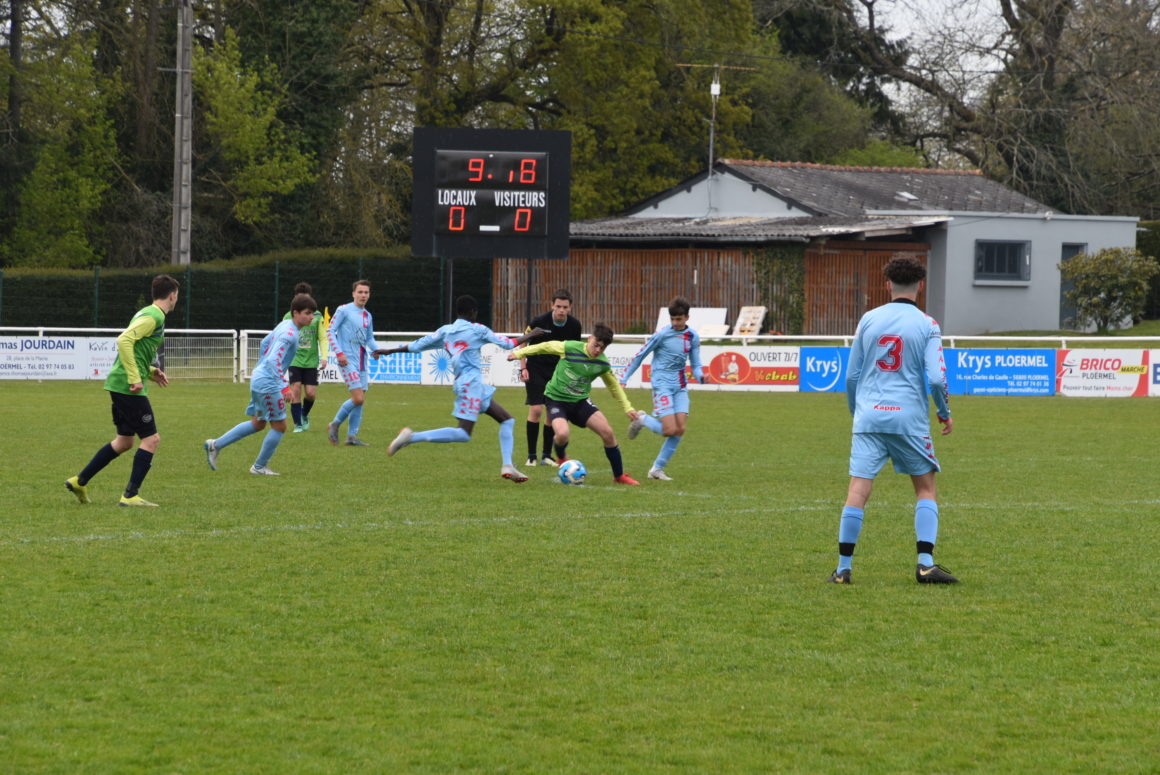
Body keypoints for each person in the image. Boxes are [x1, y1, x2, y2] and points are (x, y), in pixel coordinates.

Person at [828, 256, 957, 585]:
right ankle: (925, 564)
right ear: (921, 286)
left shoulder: (869, 319)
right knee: (925, 487)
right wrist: (944, 412)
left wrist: (857, 411)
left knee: (858, 489)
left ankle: (843, 569)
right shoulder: (927, 324)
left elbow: (852, 375)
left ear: (887, 284)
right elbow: (937, 378)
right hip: (908, 419)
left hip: (869, 416)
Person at [378, 296, 547, 482]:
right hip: (471, 384)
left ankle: (508, 466)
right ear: (473, 311)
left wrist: (389, 351)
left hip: (470, 385)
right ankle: (411, 437)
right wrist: (531, 335)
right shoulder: (477, 329)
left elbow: (416, 345)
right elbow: (507, 344)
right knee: (463, 434)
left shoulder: (445, 331)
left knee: (507, 420)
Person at [66, 274, 180, 507]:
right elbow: (124, 340)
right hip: (128, 387)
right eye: (177, 296)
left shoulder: (146, 312)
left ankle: (79, 481)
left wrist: (150, 371)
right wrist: (135, 378)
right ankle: (130, 496)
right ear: (172, 296)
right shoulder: (155, 316)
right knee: (151, 439)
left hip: (119, 383)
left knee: (124, 441)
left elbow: (135, 350)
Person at [507, 324, 642, 485]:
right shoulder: (570, 347)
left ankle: (619, 476)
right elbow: (545, 346)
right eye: (596, 345)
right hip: (556, 399)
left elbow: (614, 386)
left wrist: (628, 407)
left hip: (580, 401)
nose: (598, 350)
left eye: (602, 347)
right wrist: (519, 353)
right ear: (590, 339)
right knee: (562, 434)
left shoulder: (602, 364)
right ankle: (561, 456)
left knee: (608, 433)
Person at [203, 293, 318, 475]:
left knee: (258, 423)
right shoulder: (290, 335)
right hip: (268, 383)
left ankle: (215, 445)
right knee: (280, 426)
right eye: (308, 313)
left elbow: (265, 343)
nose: (312, 317)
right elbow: (273, 360)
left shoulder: (285, 325)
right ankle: (259, 467)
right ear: (296, 313)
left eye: (312, 313)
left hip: (260, 378)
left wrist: (260, 366)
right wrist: (284, 386)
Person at [621, 297, 706, 481]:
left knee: (680, 429)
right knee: (669, 430)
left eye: (679, 319)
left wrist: (701, 376)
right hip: (662, 385)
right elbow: (640, 355)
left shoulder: (693, 337)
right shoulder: (662, 335)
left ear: (687, 317)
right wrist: (624, 378)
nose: (675, 323)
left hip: (680, 387)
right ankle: (642, 419)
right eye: (673, 319)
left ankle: (656, 470)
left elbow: (696, 364)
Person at [519, 289, 582, 468]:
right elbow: (523, 341)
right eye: (558, 306)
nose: (561, 310)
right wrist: (523, 367)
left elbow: (574, 351)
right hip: (536, 368)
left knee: (551, 413)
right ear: (552, 305)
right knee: (536, 410)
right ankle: (531, 456)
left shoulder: (575, 325)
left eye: (565, 307)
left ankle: (546, 456)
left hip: (558, 372)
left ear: (570, 308)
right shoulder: (539, 321)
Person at [326, 279, 387, 446]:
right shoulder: (343, 310)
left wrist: (376, 350)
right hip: (346, 359)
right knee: (358, 398)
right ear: (353, 293)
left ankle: (351, 436)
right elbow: (330, 331)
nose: (363, 295)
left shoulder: (368, 316)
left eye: (366, 292)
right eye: (360, 292)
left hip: (361, 360)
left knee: (361, 399)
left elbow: (369, 338)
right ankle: (334, 424)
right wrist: (339, 353)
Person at [282, 281, 328, 432]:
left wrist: (324, 356)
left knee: (311, 393)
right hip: (294, 360)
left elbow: (323, 337)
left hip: (311, 361)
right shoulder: (288, 317)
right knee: (295, 389)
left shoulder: (317, 316)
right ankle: (298, 424)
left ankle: (303, 414)